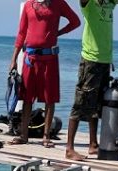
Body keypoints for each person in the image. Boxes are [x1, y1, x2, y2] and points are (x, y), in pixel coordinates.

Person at [8, 0, 81, 148]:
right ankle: (23, 135)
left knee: (50, 97)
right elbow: (21, 32)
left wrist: (58, 32)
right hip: (30, 58)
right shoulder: (29, 5)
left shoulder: (59, 3)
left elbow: (75, 21)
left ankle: (46, 137)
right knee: (26, 97)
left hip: (50, 58)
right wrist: (14, 59)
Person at [66, 0, 118, 162]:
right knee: (81, 102)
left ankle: (93, 143)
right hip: (90, 59)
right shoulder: (89, 5)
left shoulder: (111, 2)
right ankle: (69, 148)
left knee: (97, 105)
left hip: (105, 60)